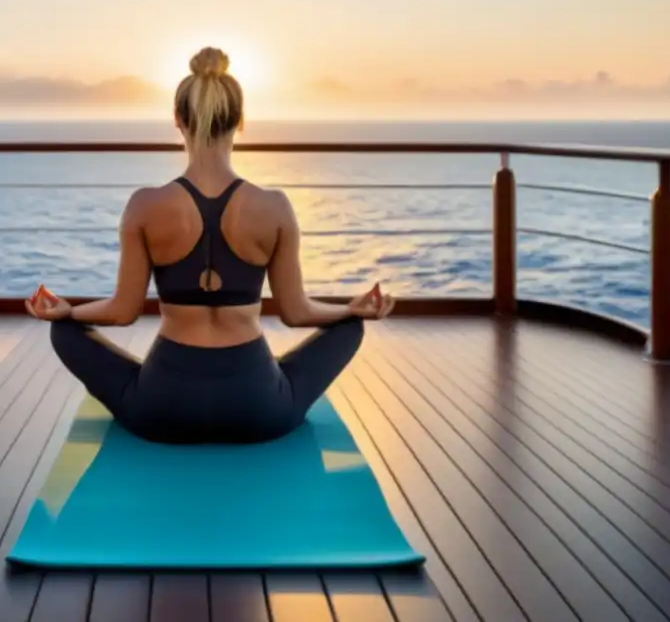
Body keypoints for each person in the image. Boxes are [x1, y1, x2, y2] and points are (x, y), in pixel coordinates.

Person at [26, 46, 394, 444]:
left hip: (162, 408)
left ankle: (140, 381)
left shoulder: (145, 205)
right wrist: (349, 311)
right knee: (350, 328)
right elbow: (296, 312)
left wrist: (69, 312)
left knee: (62, 332)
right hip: (259, 409)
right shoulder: (274, 207)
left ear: (178, 120)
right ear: (240, 122)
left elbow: (123, 311)